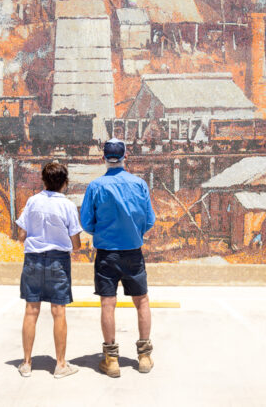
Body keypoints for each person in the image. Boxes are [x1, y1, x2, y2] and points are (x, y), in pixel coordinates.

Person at [80, 138, 156, 378]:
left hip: (106, 254)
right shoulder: (139, 184)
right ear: (126, 157)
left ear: (103, 158)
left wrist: (104, 232)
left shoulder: (95, 186)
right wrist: (134, 232)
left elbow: (86, 223)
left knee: (107, 304)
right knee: (141, 302)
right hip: (133, 252)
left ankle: (111, 360)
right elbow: (149, 220)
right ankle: (144, 356)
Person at [16, 161, 82, 379]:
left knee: (31, 311)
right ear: (65, 183)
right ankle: (60, 365)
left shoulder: (32, 202)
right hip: (58, 261)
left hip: (33, 259)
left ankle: (26, 363)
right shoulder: (68, 206)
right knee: (58, 312)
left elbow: (21, 235)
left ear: (43, 180)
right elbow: (76, 243)